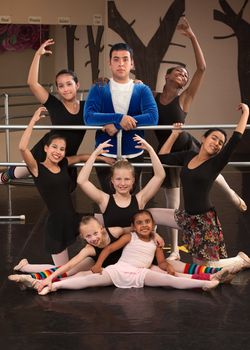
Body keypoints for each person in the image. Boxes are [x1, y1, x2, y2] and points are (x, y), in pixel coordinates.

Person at [154, 17, 247, 260]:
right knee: (172, 200)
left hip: (185, 144)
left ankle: (231, 194)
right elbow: (132, 89)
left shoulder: (184, 99)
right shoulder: (151, 96)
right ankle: (174, 249)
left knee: (212, 171)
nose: (184, 76)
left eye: (185, 75)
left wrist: (192, 35)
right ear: (167, 76)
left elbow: (202, 68)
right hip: (168, 146)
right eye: (179, 73)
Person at [13, 210, 231, 295]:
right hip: (115, 269)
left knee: (171, 278)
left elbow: (162, 262)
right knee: (76, 275)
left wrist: (164, 261)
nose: (93, 238)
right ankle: (45, 282)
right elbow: (101, 252)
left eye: (148, 223)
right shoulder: (117, 239)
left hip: (139, 272)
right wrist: (97, 265)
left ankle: (206, 279)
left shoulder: (122, 231)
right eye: (88, 237)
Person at [149, 103, 250, 266]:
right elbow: (163, 157)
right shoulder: (189, 156)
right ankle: (147, 251)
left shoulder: (216, 163)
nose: (216, 143)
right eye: (214, 138)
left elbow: (236, 138)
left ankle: (240, 261)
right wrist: (174, 135)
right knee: (149, 214)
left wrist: (246, 112)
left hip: (204, 222)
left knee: (205, 267)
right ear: (204, 138)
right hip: (186, 217)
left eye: (220, 142)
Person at [18, 106, 113, 266]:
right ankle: (27, 267)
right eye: (54, 147)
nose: (58, 152)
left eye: (62, 149)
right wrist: (33, 121)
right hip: (57, 225)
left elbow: (81, 157)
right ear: (46, 148)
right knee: (62, 271)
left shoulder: (63, 163)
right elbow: (22, 148)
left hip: (74, 218)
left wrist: (102, 158)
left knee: (112, 218)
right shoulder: (36, 168)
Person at [0, 38, 86, 190]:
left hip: (66, 157)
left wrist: (135, 84)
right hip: (45, 151)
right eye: (61, 86)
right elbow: (33, 84)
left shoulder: (87, 107)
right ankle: (4, 175)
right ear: (57, 89)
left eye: (69, 84)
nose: (65, 89)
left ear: (77, 85)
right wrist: (38, 55)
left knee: (68, 188)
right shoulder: (54, 104)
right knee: (17, 173)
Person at [84, 42, 159, 193]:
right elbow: (88, 117)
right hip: (105, 155)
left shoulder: (142, 88)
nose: (121, 63)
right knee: (108, 200)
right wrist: (119, 118)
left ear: (132, 63)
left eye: (125, 59)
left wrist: (117, 125)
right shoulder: (99, 87)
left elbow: (152, 117)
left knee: (133, 202)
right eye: (116, 59)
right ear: (110, 63)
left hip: (135, 153)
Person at [8, 215, 131, 290]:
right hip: (94, 262)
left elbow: (131, 231)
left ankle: (26, 267)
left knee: (65, 272)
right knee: (65, 271)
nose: (93, 238)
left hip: (109, 264)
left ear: (101, 228)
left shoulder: (115, 232)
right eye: (88, 236)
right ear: (83, 237)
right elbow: (69, 265)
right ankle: (30, 275)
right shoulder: (89, 249)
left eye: (95, 233)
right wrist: (50, 278)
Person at [77, 133, 165, 228]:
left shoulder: (140, 200)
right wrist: (94, 154)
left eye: (127, 179)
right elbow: (82, 181)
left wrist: (150, 149)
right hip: (112, 242)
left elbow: (160, 176)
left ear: (133, 180)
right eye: (118, 179)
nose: (122, 184)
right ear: (112, 180)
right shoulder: (104, 200)